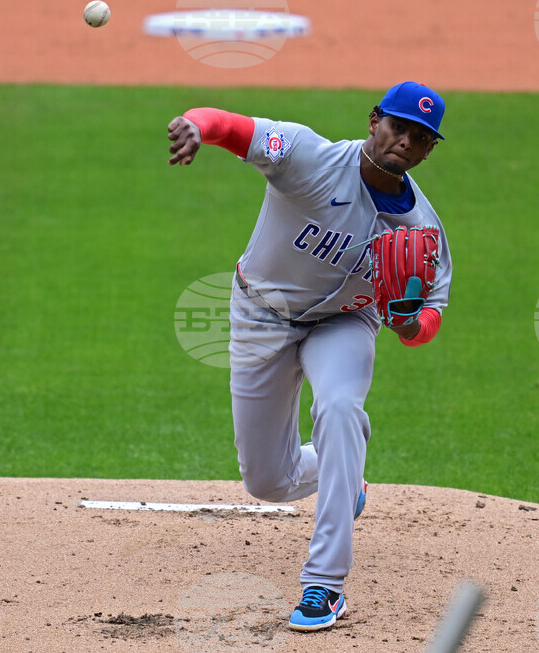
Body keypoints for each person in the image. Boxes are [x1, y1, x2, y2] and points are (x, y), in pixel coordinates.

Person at [167, 82, 453, 632]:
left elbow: (429, 319)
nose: (405, 142)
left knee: (341, 410)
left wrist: (408, 322)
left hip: (344, 323)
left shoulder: (423, 229)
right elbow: (231, 125)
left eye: (420, 138)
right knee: (267, 483)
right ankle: (347, 479)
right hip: (260, 313)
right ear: (375, 121)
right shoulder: (307, 155)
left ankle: (325, 586)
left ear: (427, 150)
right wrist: (196, 125)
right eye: (398, 127)